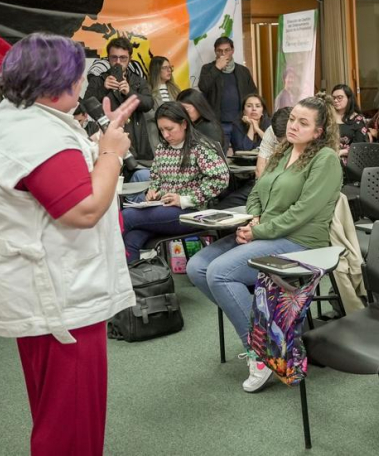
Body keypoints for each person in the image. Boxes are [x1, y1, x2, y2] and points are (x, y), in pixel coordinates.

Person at [0, 32, 140, 456]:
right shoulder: (38, 135)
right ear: (58, 82)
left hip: (45, 290)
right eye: (78, 76)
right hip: (61, 298)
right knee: (70, 429)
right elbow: (83, 209)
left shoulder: (22, 119)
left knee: (56, 414)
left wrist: (104, 137)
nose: (83, 84)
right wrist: (112, 154)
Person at [187, 94, 342, 392]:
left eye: (303, 122)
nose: (293, 125)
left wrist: (257, 232)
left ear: (319, 132)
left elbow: (302, 213)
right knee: (197, 267)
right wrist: (254, 219)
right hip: (266, 231)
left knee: (219, 273)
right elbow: (257, 191)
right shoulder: (284, 152)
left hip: (301, 242)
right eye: (293, 119)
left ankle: (261, 352)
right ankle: (266, 337)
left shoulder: (326, 159)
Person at [121, 102, 230, 262]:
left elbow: (221, 178)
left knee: (126, 217)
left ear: (184, 124)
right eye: (161, 130)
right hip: (164, 210)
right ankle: (137, 284)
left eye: (169, 129)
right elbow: (156, 178)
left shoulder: (199, 147)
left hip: (191, 212)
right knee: (131, 239)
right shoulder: (162, 148)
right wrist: (153, 192)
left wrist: (185, 199)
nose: (165, 135)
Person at [86, 36, 154, 160]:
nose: (118, 62)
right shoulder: (97, 80)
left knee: (139, 176)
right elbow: (86, 105)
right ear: (108, 58)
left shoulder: (139, 81)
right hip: (107, 140)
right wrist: (103, 88)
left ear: (130, 59)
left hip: (136, 140)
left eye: (123, 58)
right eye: (114, 57)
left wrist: (130, 92)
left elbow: (149, 104)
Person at [198, 36, 258, 143]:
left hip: (240, 122)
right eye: (219, 51)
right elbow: (203, 87)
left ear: (232, 51)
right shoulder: (207, 69)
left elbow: (253, 94)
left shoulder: (242, 70)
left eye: (227, 50)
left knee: (242, 154)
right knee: (220, 156)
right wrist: (217, 68)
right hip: (218, 123)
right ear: (215, 52)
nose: (223, 54)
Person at [177, 88, 227, 154]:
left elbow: (212, 155)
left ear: (198, 106)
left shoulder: (210, 128)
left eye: (186, 109)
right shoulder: (187, 124)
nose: (183, 113)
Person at [330, 84, 368, 161]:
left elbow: (360, 146)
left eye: (339, 98)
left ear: (349, 99)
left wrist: (340, 152)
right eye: (333, 98)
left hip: (349, 159)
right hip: (328, 156)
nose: (335, 100)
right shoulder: (328, 117)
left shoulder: (357, 119)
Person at [256, 107, 291, 177]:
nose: (284, 145)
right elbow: (260, 169)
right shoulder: (270, 131)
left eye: (287, 142)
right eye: (279, 141)